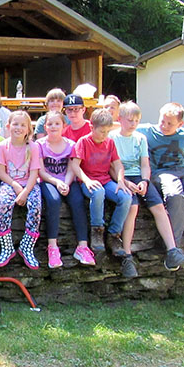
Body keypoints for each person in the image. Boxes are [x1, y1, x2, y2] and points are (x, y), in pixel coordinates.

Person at [110, 102, 184, 277]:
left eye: (136, 121)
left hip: (141, 178)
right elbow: (111, 164)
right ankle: (127, 256)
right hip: (123, 179)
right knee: (132, 208)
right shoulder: (113, 138)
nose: (133, 124)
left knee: (159, 207)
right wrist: (122, 181)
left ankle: (172, 250)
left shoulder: (141, 138)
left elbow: (145, 164)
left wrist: (145, 181)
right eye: (130, 120)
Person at [71, 109, 132, 257]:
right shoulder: (83, 142)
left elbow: (117, 164)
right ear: (92, 127)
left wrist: (120, 181)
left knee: (125, 197)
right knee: (98, 193)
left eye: (107, 131)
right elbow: (74, 165)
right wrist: (87, 180)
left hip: (105, 179)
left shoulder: (110, 142)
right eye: (102, 131)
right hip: (89, 181)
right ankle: (97, 230)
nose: (104, 135)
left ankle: (114, 235)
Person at [37, 111, 95, 268]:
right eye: (50, 124)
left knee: (77, 201)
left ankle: (83, 246)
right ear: (45, 126)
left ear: (64, 126)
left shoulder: (71, 145)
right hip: (49, 181)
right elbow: (40, 171)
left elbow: (71, 169)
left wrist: (67, 184)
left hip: (68, 181)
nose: (53, 127)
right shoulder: (40, 145)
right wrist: (57, 182)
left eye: (57, 124)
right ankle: (53, 247)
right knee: (53, 201)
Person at [0, 111, 42, 269]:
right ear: (8, 126)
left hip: (29, 184)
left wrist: (25, 192)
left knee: (35, 205)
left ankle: (27, 247)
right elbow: (1, 173)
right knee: (4, 204)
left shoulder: (33, 147)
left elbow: (34, 173)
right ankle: (7, 247)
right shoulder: (2, 147)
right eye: (15, 124)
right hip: (10, 183)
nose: (18, 128)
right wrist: (15, 185)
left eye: (23, 125)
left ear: (29, 129)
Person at [136, 103, 184, 246]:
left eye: (170, 124)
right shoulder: (146, 130)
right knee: (175, 195)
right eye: (162, 121)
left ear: (180, 124)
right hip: (161, 173)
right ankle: (173, 247)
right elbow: (123, 125)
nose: (164, 126)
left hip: (183, 172)